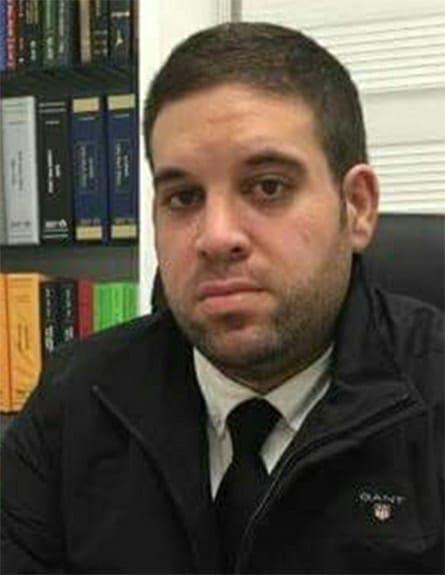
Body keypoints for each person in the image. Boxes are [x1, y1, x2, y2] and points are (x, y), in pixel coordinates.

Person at [1, 22, 443, 575]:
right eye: (184, 197)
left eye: (268, 187)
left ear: (356, 206)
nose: (215, 237)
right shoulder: (76, 398)